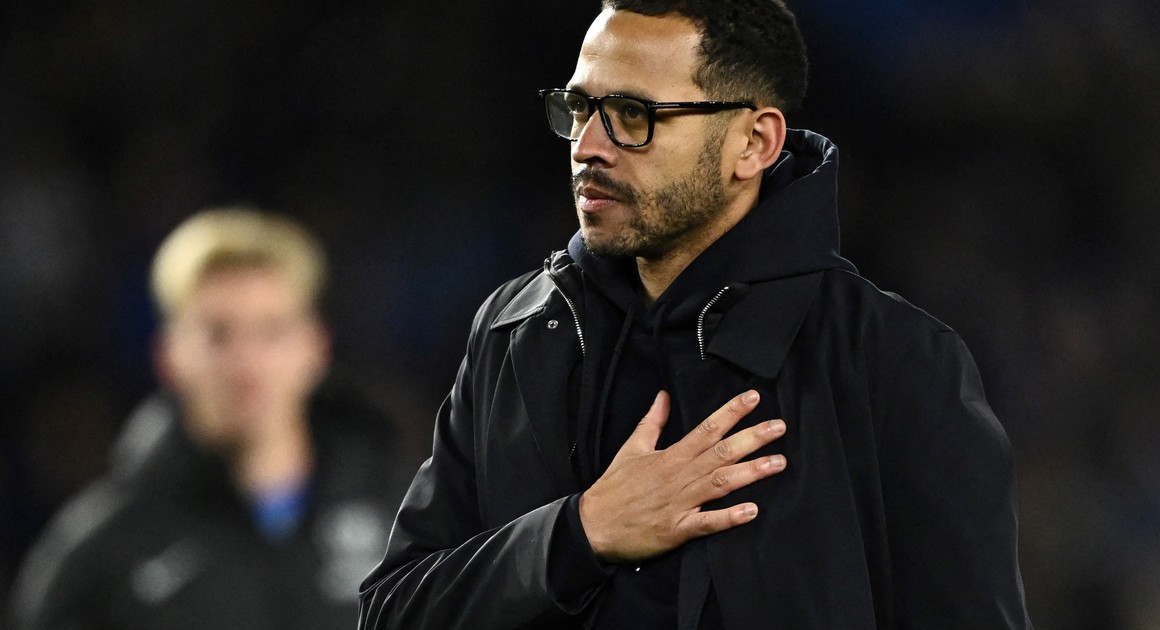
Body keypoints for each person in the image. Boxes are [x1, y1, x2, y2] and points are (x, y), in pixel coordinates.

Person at [359, 1, 1032, 628]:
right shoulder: (517, 331)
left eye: (633, 115)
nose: (587, 145)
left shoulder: (893, 362)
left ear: (754, 144)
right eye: (579, 107)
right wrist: (579, 533)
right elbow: (393, 610)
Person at [10, 207, 415, 629]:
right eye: (218, 334)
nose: (248, 362)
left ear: (315, 348)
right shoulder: (102, 551)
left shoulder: (406, 523)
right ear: (169, 356)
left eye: (272, 330)